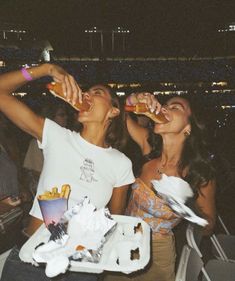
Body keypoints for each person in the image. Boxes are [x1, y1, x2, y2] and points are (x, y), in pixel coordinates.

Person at [0, 63, 135, 281]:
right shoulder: (56, 135)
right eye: (85, 92)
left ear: (113, 111)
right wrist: (46, 69)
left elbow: (114, 220)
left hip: (80, 268)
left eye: (97, 93)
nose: (87, 96)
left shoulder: (121, 163)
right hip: (32, 259)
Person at [104, 92, 216, 281]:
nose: (165, 108)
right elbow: (120, 112)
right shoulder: (149, 148)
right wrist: (135, 99)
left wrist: (185, 206)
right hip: (123, 239)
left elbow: (209, 226)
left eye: (175, 107)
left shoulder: (198, 175)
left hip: (157, 254)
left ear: (188, 128)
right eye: (165, 105)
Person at [23, 101, 68, 196]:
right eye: (61, 115)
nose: (66, 118)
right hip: (50, 193)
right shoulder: (37, 142)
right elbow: (35, 171)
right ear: (51, 118)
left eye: (66, 115)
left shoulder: (69, 138)